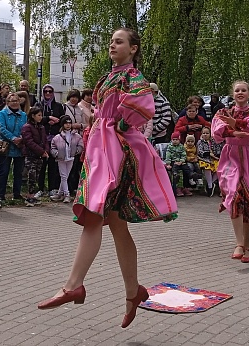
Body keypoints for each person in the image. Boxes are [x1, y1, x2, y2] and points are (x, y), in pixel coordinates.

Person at [37, 28, 177, 331]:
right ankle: (133, 293)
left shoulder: (132, 78)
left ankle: (74, 284)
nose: (113, 45)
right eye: (111, 41)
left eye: (119, 41)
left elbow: (143, 106)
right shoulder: (108, 77)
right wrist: (98, 121)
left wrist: (116, 124)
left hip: (116, 151)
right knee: (116, 225)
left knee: (93, 213)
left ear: (134, 48)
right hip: (103, 147)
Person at [212, 79, 249, 264]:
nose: (240, 93)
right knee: (234, 195)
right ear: (233, 93)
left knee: (248, 202)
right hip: (230, 158)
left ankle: (247, 245)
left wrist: (235, 123)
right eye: (237, 90)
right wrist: (233, 131)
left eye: (243, 90)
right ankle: (239, 243)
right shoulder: (223, 111)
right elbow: (217, 131)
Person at [0, 93, 26, 202]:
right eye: (12, 101)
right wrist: (13, 138)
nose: (15, 103)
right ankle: (1, 194)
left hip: (19, 146)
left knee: (18, 172)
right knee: (4, 171)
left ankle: (17, 193)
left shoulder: (23, 115)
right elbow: (2, 128)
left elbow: (25, 129)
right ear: (7, 102)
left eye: (17, 101)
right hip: (6, 146)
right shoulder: (2, 114)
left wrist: (21, 138)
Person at [50, 115, 84, 203]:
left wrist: (77, 151)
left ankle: (59, 193)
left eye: (69, 123)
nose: (68, 125)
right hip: (61, 158)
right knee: (63, 176)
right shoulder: (57, 137)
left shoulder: (76, 136)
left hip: (71, 158)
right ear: (62, 125)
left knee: (65, 176)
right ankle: (66, 194)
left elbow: (80, 144)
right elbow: (53, 147)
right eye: (66, 123)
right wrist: (56, 153)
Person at [40, 84, 65, 199]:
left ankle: (52, 188)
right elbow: (36, 118)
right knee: (41, 165)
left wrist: (56, 121)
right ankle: (40, 188)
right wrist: (48, 118)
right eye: (46, 91)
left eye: (50, 91)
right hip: (42, 139)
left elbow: (62, 120)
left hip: (55, 138)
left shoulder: (58, 106)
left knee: (53, 165)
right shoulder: (39, 105)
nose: (48, 94)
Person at [63, 89, 88, 194]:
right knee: (66, 162)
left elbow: (85, 124)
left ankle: (73, 186)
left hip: (78, 138)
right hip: (67, 137)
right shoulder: (64, 107)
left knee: (76, 163)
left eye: (76, 97)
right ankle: (65, 186)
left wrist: (80, 126)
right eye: (72, 96)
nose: (74, 99)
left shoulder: (80, 109)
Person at [21, 106, 47, 206]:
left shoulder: (41, 127)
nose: (40, 117)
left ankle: (33, 195)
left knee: (36, 175)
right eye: (38, 115)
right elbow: (29, 142)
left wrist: (46, 150)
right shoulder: (26, 127)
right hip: (30, 155)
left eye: (41, 115)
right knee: (31, 175)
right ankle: (29, 196)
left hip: (39, 156)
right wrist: (41, 151)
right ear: (33, 116)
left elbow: (44, 140)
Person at [165, 131, 192, 197]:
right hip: (173, 162)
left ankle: (190, 176)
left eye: (176, 139)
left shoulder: (181, 147)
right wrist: (168, 164)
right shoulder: (170, 147)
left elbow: (184, 155)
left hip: (180, 162)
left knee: (186, 168)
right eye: (173, 140)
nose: (175, 141)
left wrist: (181, 161)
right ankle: (177, 185)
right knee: (175, 169)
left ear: (179, 140)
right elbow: (168, 155)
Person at [197, 126, 221, 196]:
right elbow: (200, 152)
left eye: (207, 133)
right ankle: (210, 186)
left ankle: (212, 183)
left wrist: (215, 155)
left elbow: (218, 150)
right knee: (207, 167)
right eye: (203, 133)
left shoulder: (214, 141)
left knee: (219, 167)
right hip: (204, 158)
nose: (205, 134)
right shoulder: (200, 142)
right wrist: (209, 153)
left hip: (214, 158)